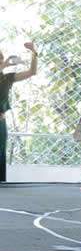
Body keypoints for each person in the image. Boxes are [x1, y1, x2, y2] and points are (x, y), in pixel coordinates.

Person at [0, 42, 38, 182]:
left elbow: (31, 72)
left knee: (0, 153)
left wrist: (34, 53)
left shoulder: (7, 78)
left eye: (1, 58)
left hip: (0, 122)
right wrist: (3, 65)